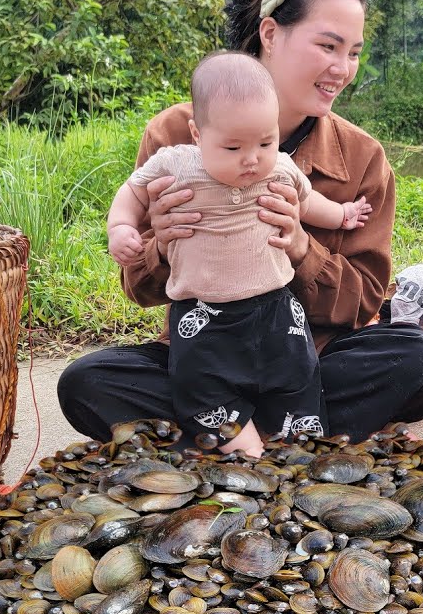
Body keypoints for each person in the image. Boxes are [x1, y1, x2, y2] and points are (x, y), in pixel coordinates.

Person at [58, 0, 423, 454]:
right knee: (87, 381)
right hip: (204, 357)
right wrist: (159, 243)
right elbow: (139, 287)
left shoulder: (363, 158)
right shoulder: (177, 136)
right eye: (328, 45)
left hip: (306, 357)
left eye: (354, 52)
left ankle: (224, 431)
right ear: (270, 34)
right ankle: (276, 430)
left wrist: (300, 249)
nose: (342, 68)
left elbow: (364, 304)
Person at [103, 51, 371, 456]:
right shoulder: (175, 163)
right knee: (196, 383)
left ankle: (296, 441)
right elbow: (132, 192)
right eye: (232, 147)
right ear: (197, 135)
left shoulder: (279, 167)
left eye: (265, 141)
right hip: (202, 316)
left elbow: (310, 201)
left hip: (276, 310)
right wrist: (122, 227)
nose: (251, 159)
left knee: (299, 375)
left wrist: (344, 215)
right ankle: (244, 447)